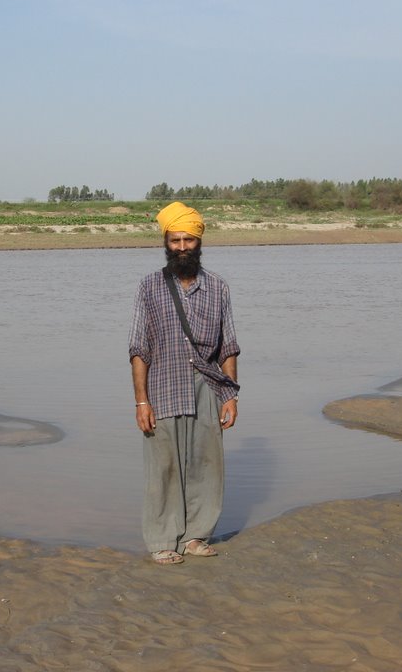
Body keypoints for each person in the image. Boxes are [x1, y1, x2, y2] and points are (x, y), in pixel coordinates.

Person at [128, 201, 241, 565]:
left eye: (188, 240)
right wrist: (141, 401)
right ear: (165, 241)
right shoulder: (149, 287)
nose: (181, 247)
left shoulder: (219, 288)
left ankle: (195, 536)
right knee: (163, 467)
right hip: (162, 388)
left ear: (199, 241)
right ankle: (163, 539)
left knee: (206, 465)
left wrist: (231, 396)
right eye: (175, 240)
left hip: (208, 387)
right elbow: (138, 348)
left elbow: (229, 347)